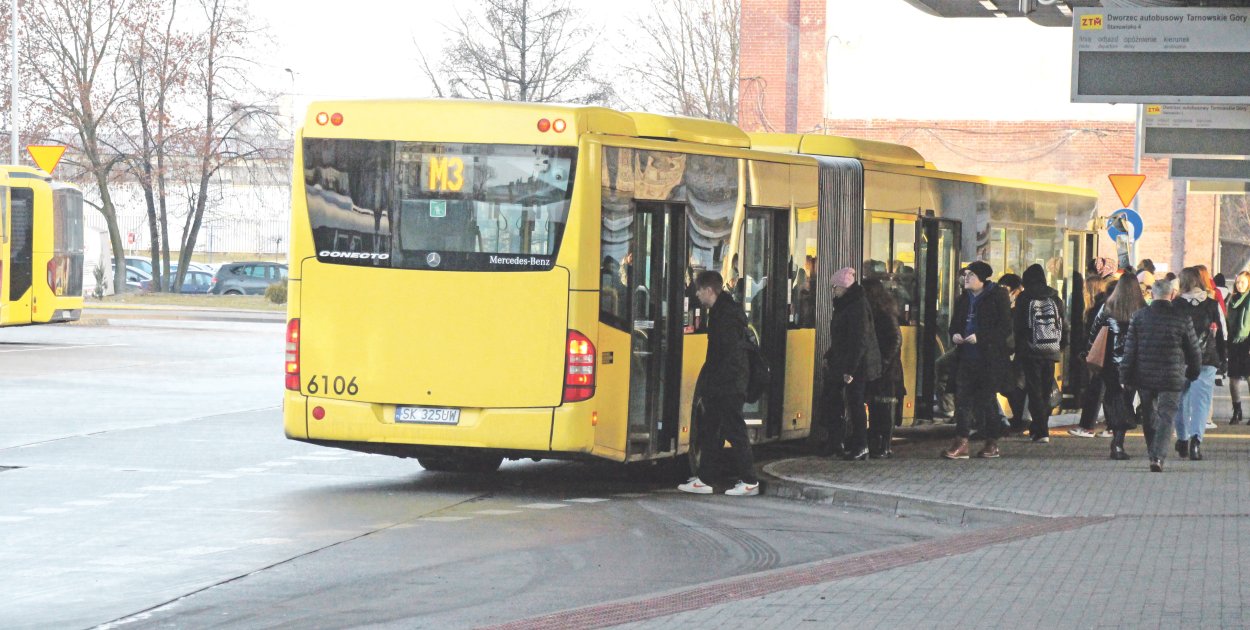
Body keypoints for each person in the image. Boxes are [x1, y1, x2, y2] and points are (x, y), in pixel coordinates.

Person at [679, 270, 759, 497]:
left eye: (699, 290)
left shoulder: (723, 315)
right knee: (711, 431)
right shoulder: (724, 311)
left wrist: (712, 384)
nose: (696, 294)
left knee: (734, 430)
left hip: (728, 384)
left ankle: (750, 480)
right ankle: (705, 479)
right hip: (725, 382)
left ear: (709, 290)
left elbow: (724, 355)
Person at [1122, 279, 1201, 472]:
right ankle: (1157, 457)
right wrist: (1193, 371)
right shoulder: (1182, 317)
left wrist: (1125, 375)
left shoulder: (1139, 317)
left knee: (1149, 415)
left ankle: (1153, 452)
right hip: (1172, 376)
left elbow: (1130, 350)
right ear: (1172, 294)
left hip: (1145, 376)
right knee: (1167, 416)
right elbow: (1193, 350)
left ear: (1152, 294)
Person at [942, 261, 1014, 460]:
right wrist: (955, 334)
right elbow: (955, 323)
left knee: (987, 401)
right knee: (962, 399)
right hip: (965, 357)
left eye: (971, 275)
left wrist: (980, 337)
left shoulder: (997, 297)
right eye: (966, 275)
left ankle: (992, 442)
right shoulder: (963, 299)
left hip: (988, 359)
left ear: (982, 279)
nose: (966, 278)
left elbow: (1004, 328)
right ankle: (961, 441)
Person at [821, 267, 882, 461]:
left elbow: (859, 340)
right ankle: (838, 441)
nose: (834, 291)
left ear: (844, 287)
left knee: (855, 404)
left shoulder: (856, 306)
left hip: (856, 365)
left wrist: (850, 370)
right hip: (843, 361)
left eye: (836, 287)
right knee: (834, 398)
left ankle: (861, 445)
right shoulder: (847, 304)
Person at [1086, 274, 1147, 459]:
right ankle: (1119, 441)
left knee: (1113, 399)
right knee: (1127, 399)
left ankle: (1116, 438)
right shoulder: (1143, 309)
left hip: (1110, 364)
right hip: (1134, 363)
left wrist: (1090, 351)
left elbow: (1094, 333)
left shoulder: (1108, 307)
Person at [1172, 267, 1226, 461]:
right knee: (1201, 402)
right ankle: (1197, 441)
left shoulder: (1176, 304)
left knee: (1179, 401)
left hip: (1181, 360)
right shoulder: (1212, 304)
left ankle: (1182, 438)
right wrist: (1222, 359)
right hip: (1207, 358)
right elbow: (1221, 333)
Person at [1014, 264, 1067, 444]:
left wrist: (1018, 347)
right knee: (1045, 390)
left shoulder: (1024, 297)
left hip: (1030, 351)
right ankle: (1040, 428)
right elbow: (1063, 324)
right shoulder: (1054, 297)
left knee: (1034, 390)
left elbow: (1018, 325)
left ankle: (1041, 430)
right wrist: (1061, 345)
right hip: (1051, 350)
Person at [862, 278, 903, 459]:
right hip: (880, 367)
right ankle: (879, 442)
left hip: (887, 371)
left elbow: (895, 340)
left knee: (884, 406)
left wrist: (884, 362)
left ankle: (884, 445)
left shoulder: (884, 315)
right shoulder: (879, 312)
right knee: (877, 405)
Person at [1071, 274, 1110, 437]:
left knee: (1096, 390)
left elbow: (1093, 334)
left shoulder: (1097, 309)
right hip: (1107, 355)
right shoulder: (1105, 305)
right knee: (1106, 391)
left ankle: (1087, 426)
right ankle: (1112, 427)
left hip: (1100, 355)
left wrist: (1086, 350)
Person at [998, 273, 1027, 433]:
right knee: (1013, 387)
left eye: (1006, 290)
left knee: (1014, 387)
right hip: (1020, 352)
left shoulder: (1018, 308)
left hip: (1020, 353)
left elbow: (1012, 335)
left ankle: (1019, 421)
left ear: (1015, 291)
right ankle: (1019, 420)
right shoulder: (1021, 305)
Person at [1227, 271, 1250, 425]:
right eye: (1237, 282)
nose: (1239, 285)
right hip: (1234, 342)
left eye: (1243, 282)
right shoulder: (1231, 299)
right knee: (1233, 378)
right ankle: (1237, 410)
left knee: (1249, 378)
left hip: (1247, 342)